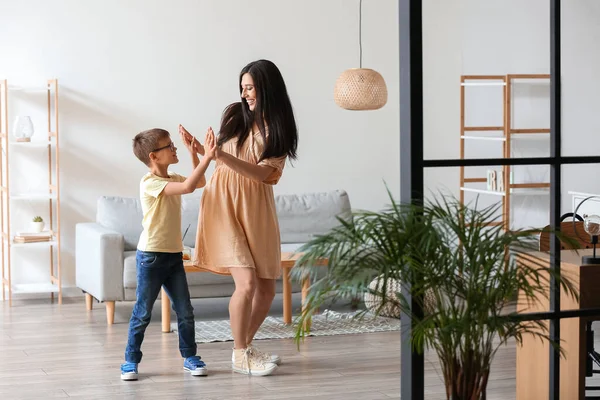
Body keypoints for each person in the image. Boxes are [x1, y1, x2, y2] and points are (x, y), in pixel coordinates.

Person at [181, 59, 298, 376]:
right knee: (246, 284)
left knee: (266, 289)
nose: (245, 94)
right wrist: (197, 150)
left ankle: (244, 347)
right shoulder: (234, 113)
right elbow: (212, 163)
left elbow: (263, 174)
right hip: (222, 203)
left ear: (267, 88)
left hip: (256, 206)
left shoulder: (280, 128)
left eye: (250, 87)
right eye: (243, 87)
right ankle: (240, 354)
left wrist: (221, 155)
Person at [120, 126, 216, 381]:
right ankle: (130, 360)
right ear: (154, 156)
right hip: (151, 257)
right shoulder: (150, 182)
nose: (174, 149)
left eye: (174, 145)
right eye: (170, 146)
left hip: (173, 255)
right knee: (143, 311)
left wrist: (193, 152)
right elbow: (187, 187)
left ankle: (190, 356)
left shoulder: (172, 177)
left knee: (185, 310)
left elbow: (198, 182)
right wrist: (207, 157)